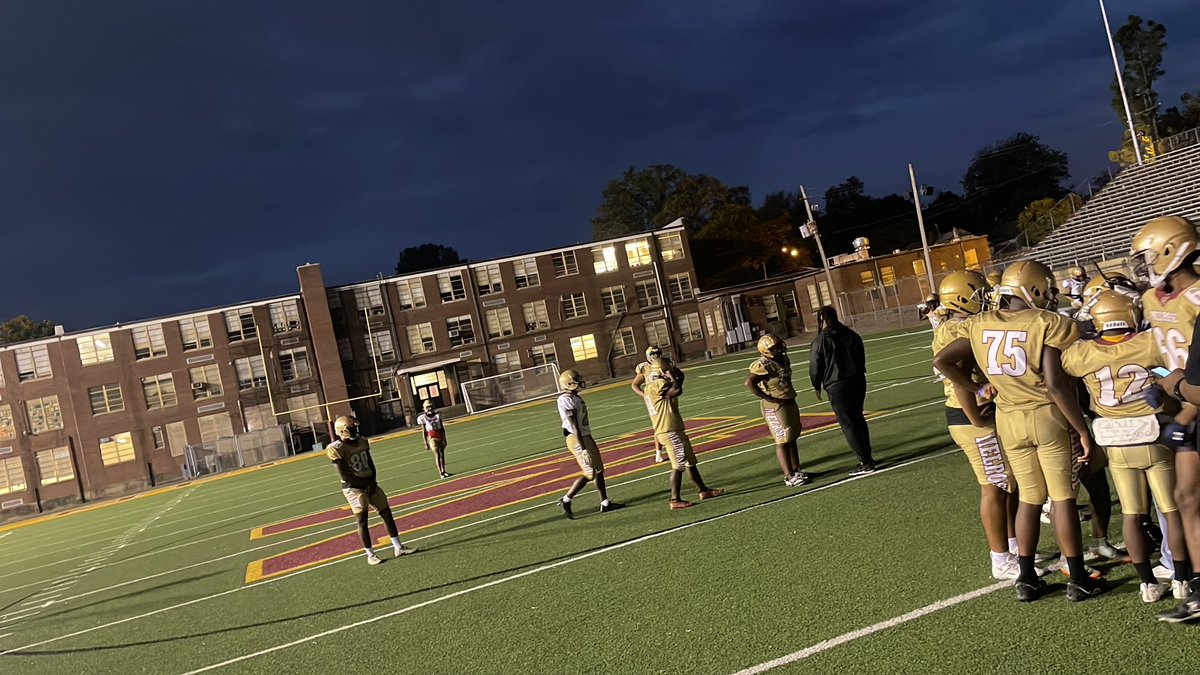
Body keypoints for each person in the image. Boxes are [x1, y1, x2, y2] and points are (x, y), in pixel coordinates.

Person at [934, 260, 1106, 602]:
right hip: (1046, 416)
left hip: (1008, 419)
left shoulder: (980, 322)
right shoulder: (1049, 322)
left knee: (1028, 498)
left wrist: (976, 387)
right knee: (1062, 498)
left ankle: (1026, 579)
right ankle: (1078, 576)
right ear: (1036, 289)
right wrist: (1082, 429)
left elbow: (942, 361)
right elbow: (1056, 386)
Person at [1062, 291, 1184, 603]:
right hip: (1153, 434)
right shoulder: (1149, 342)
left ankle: (1147, 584)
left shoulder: (1082, 353)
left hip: (1115, 440)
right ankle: (1182, 578)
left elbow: (1067, 358)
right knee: (1171, 511)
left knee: (1131, 514)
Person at [1129, 215, 1200, 622]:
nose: (1143, 264)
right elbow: (1164, 356)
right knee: (1186, 498)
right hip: (1185, 408)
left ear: (1175, 250)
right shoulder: (1154, 298)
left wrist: (1183, 400)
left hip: (1193, 402)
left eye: (1149, 256)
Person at [933, 270, 1022, 580]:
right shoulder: (957, 329)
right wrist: (975, 405)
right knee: (994, 485)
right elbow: (958, 376)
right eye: (977, 293)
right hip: (970, 416)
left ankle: (1012, 546)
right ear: (962, 297)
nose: (984, 298)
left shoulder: (959, 325)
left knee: (1008, 483)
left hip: (978, 413)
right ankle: (1001, 559)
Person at [326, 415, 415, 565]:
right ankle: (370, 554)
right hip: (353, 488)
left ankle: (398, 547)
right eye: (352, 428)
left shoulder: (362, 441)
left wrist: (372, 481)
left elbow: (370, 463)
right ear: (342, 431)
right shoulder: (336, 448)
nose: (355, 430)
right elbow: (345, 475)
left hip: (369, 481)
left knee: (386, 512)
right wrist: (365, 483)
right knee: (362, 520)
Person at [643, 357, 724, 509]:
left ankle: (703, 490)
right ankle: (674, 499)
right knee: (678, 465)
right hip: (669, 429)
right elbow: (677, 390)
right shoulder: (657, 384)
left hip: (672, 428)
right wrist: (672, 376)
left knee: (690, 462)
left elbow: (680, 380)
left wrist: (675, 373)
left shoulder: (652, 385)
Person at [809, 306, 876, 475]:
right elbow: (861, 355)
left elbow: (815, 366)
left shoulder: (820, 340)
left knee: (848, 423)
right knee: (858, 418)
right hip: (857, 379)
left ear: (821, 320)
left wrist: (816, 385)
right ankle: (867, 456)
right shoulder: (850, 334)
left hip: (837, 384)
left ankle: (865, 461)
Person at [556, 369, 624, 519]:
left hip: (585, 436)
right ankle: (566, 500)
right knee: (590, 472)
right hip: (576, 438)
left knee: (599, 469)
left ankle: (605, 503)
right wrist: (584, 448)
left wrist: (590, 440)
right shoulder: (565, 399)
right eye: (576, 379)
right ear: (569, 383)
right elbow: (574, 426)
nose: (579, 381)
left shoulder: (576, 398)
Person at [744, 334, 810, 486]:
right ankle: (789, 476)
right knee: (782, 439)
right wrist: (769, 398)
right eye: (774, 348)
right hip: (775, 406)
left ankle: (796, 470)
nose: (779, 349)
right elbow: (749, 382)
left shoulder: (783, 359)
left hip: (788, 400)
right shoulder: (763, 364)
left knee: (792, 437)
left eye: (779, 346)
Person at [632, 345, 683, 463]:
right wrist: (644, 395)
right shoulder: (644, 367)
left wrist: (677, 384)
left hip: (667, 394)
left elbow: (680, 374)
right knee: (658, 424)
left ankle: (674, 446)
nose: (655, 356)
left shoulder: (664, 364)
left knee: (671, 419)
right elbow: (634, 385)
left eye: (657, 353)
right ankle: (658, 452)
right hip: (654, 397)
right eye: (653, 354)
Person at [416, 399, 450, 478]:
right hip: (432, 435)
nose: (430, 409)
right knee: (437, 454)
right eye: (428, 407)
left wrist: (444, 438)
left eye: (430, 407)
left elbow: (442, 427)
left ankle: (443, 470)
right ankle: (440, 473)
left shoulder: (438, 415)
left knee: (442, 454)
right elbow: (424, 431)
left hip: (439, 434)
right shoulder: (423, 417)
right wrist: (425, 443)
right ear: (424, 408)